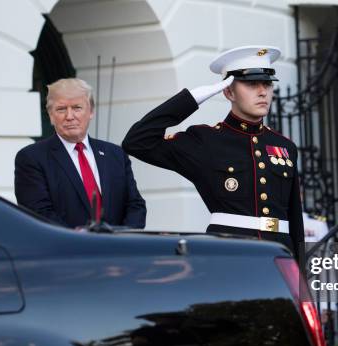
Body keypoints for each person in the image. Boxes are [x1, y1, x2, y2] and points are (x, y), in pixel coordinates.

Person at [122, 45, 304, 258]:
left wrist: (301, 279)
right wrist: (192, 98)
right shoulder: (206, 141)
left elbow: (295, 219)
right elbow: (137, 141)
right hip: (230, 255)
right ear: (228, 92)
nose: (263, 92)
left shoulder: (284, 146)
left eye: (267, 84)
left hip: (280, 255)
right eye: (252, 84)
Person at [15, 78, 146, 229]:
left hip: (116, 249)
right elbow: (38, 214)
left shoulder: (115, 154)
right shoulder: (32, 158)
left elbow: (135, 205)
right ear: (51, 115)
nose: (69, 116)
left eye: (77, 107)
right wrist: (79, 241)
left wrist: (122, 239)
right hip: (67, 250)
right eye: (61, 109)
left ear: (91, 111)